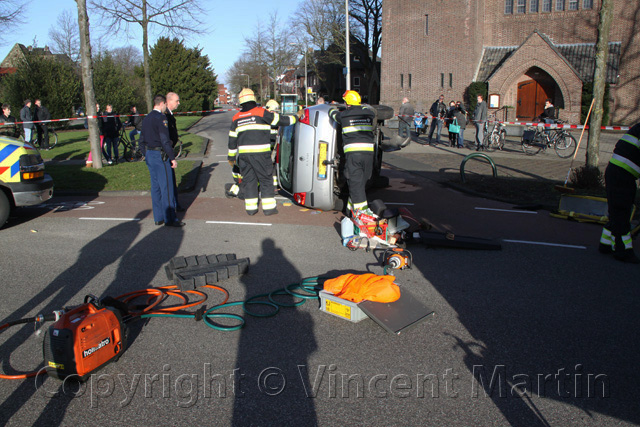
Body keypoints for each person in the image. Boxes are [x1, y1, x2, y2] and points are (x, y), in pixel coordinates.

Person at [228, 88, 297, 216]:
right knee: (265, 180)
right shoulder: (261, 112)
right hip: (261, 155)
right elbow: (282, 120)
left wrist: (231, 157)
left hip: (244, 156)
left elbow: (232, 140)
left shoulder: (236, 117)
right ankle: (269, 209)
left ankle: (251, 209)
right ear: (253, 99)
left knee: (249, 181)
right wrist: (297, 117)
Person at [328, 90, 376, 214]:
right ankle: (350, 211)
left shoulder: (344, 115)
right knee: (361, 183)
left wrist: (334, 106)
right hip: (369, 154)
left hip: (354, 155)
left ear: (347, 103)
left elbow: (332, 113)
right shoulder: (369, 114)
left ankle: (362, 214)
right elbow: (368, 109)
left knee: (355, 184)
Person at [599, 123, 640, 263]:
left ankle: (605, 245)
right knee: (622, 213)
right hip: (623, 175)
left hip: (618, 173)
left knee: (616, 212)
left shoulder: (638, 128)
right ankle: (623, 251)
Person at [140, 94, 184, 227]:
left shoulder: (146, 119)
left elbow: (141, 141)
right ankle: (170, 219)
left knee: (156, 187)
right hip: (160, 155)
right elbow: (165, 140)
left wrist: (146, 154)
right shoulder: (161, 118)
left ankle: (158, 217)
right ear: (163, 103)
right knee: (168, 187)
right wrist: (172, 158)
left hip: (150, 154)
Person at [165, 92, 184, 211]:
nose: (178, 103)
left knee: (172, 179)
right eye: (177, 101)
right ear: (169, 101)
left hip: (170, 149)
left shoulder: (169, 114)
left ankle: (175, 203)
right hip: (167, 151)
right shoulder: (165, 115)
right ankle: (172, 205)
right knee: (169, 180)